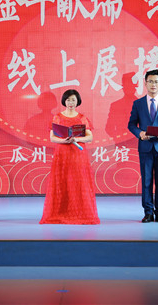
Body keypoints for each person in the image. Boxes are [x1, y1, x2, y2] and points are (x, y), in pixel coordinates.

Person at [40, 89, 100, 224]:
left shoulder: (82, 118)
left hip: (78, 155)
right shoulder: (57, 117)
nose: (71, 103)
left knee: (78, 183)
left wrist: (76, 139)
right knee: (62, 183)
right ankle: (60, 213)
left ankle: (81, 213)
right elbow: (52, 138)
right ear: (64, 101)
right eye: (68, 100)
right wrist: (64, 141)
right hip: (62, 155)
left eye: (73, 100)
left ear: (78, 101)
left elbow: (89, 137)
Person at [128, 70, 158, 223]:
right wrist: (140, 133)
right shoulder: (138, 104)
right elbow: (131, 124)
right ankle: (148, 212)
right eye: (150, 81)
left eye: (156, 82)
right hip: (145, 147)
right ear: (145, 83)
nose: (153, 84)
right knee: (147, 181)